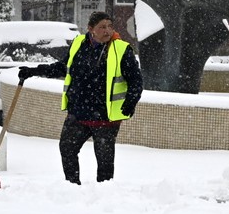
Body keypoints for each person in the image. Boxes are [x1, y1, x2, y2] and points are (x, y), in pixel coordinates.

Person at [19, 11, 143, 185]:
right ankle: (72, 186)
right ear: (91, 29)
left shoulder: (121, 49)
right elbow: (63, 68)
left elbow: (136, 80)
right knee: (67, 149)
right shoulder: (79, 44)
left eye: (109, 26)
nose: (107, 31)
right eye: (102, 27)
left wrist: (131, 101)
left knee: (104, 161)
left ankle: (105, 193)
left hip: (105, 116)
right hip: (78, 112)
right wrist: (34, 71)